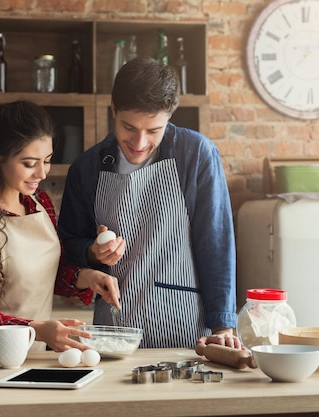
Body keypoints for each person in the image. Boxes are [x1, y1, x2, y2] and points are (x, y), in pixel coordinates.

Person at [58, 57, 240, 349]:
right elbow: (67, 246)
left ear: (169, 116)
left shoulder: (196, 154)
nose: (139, 142)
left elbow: (216, 244)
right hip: (114, 332)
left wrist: (224, 326)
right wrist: (92, 252)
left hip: (188, 330)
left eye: (154, 131)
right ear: (113, 109)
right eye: (128, 127)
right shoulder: (87, 168)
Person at [0, 100, 120, 353]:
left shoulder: (40, 204)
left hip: (30, 357)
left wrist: (86, 277)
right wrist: (38, 329)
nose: (42, 173)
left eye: (47, 160)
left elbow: (41, 278)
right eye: (29, 163)